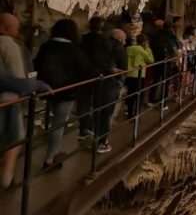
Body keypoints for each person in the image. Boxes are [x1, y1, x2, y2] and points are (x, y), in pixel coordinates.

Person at [34, 19, 92, 170]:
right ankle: (49, 160)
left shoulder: (46, 46)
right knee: (59, 124)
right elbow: (85, 70)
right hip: (67, 91)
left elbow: (36, 64)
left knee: (55, 120)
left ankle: (54, 151)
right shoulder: (74, 49)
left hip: (47, 89)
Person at [0, 13, 26, 188]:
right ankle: (6, 178)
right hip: (8, 100)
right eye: (15, 27)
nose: (17, 31)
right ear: (5, 28)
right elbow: (18, 77)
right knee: (16, 137)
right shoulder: (9, 46)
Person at [78, 17, 112, 141]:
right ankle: (95, 130)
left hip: (84, 74)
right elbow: (103, 59)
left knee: (84, 103)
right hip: (99, 75)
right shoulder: (104, 40)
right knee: (98, 103)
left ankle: (83, 129)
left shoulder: (83, 39)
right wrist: (108, 70)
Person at [149, 22, 180, 107]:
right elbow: (176, 46)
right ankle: (163, 104)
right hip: (167, 61)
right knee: (165, 82)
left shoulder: (156, 35)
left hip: (157, 60)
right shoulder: (170, 36)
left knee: (155, 80)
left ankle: (150, 100)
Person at [125, 34, 154, 118]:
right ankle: (136, 114)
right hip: (139, 75)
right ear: (144, 42)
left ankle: (129, 113)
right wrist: (148, 48)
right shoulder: (141, 50)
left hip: (129, 74)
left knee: (130, 94)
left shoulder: (128, 49)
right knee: (139, 95)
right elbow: (151, 60)